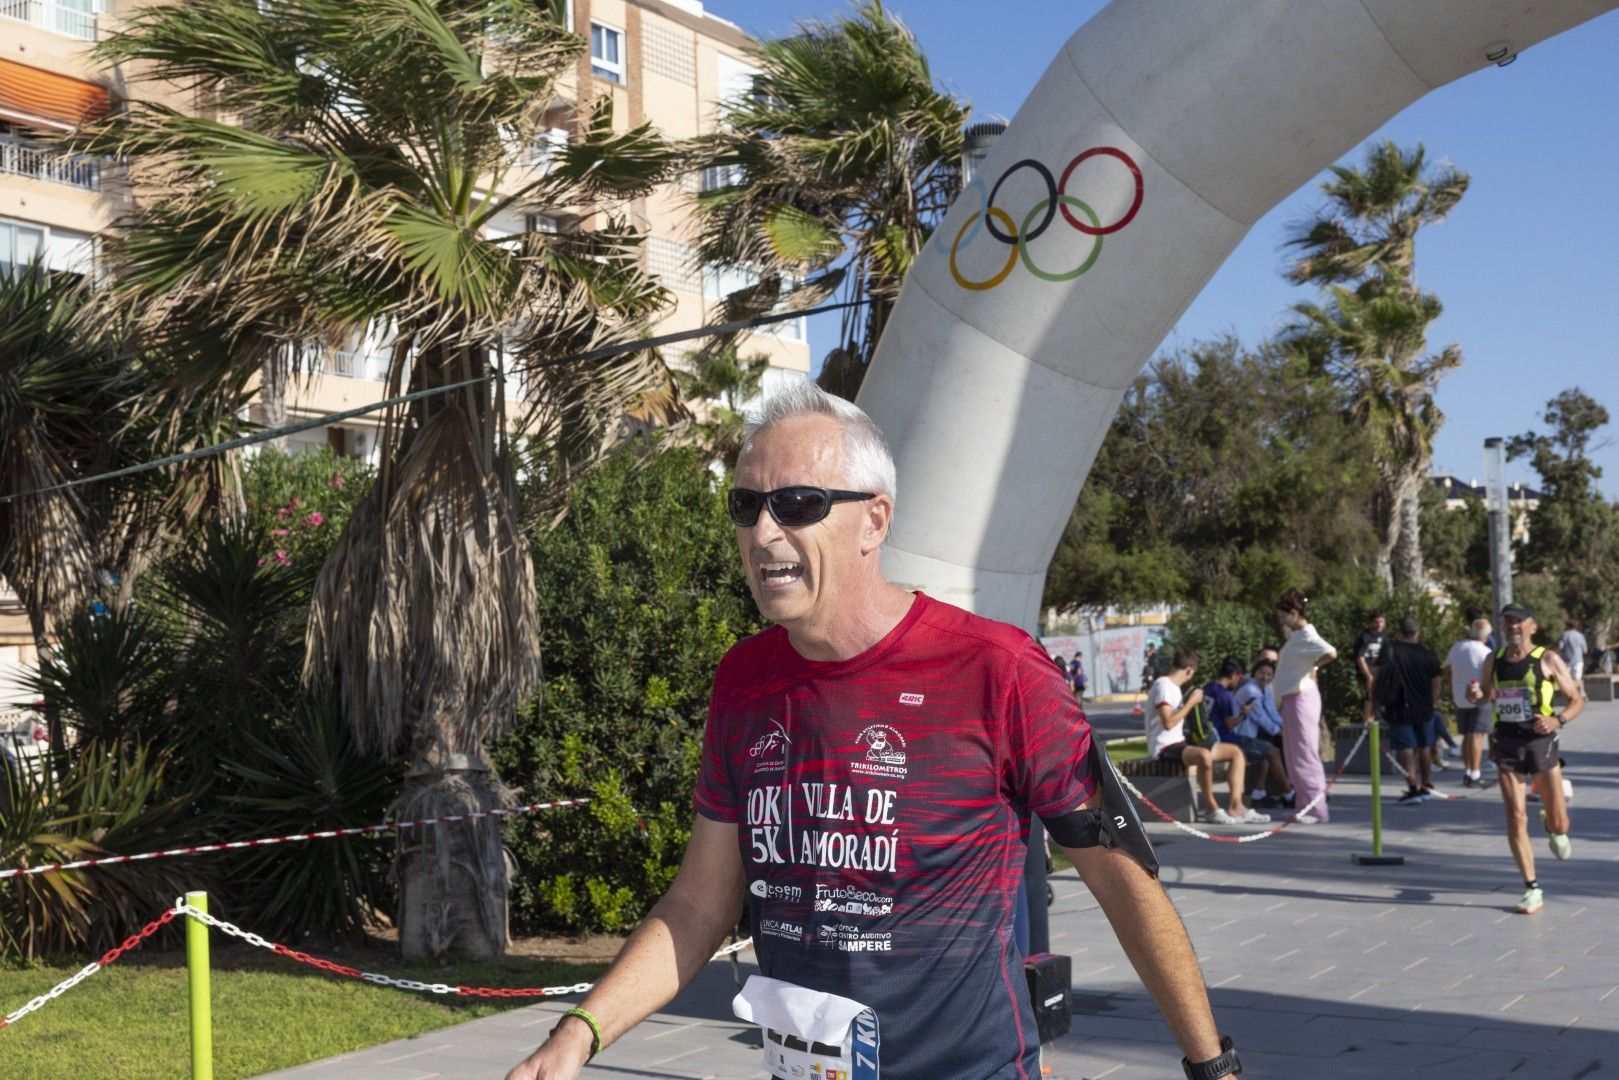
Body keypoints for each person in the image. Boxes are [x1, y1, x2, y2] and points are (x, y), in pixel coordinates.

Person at [506, 384, 1241, 1080]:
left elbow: (1122, 881)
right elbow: (700, 902)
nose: (764, 531)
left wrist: (1210, 1065)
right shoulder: (744, 680)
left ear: (875, 520)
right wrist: (577, 1035)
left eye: (797, 504)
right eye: (746, 504)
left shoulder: (997, 668)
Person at [1468, 602, 1585, 915]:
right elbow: (1487, 693)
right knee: (1516, 816)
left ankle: (1552, 824)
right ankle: (1532, 888)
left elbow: (1576, 700)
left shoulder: (1547, 659)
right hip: (1506, 742)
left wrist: (1557, 721)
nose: (1512, 627)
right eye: (1507, 622)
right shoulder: (1495, 659)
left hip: (1540, 741)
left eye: (1519, 622)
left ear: (1533, 626)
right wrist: (1476, 695)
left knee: (1561, 823)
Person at [1147, 650, 1268, 825]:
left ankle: (1237, 806)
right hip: (1163, 747)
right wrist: (1191, 702)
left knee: (1236, 753)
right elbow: (1168, 723)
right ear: (1190, 669)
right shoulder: (1163, 686)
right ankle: (1212, 809)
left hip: (1179, 741)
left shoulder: (1173, 687)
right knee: (1203, 755)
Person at [1274, 589, 1337, 823]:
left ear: (1294, 613)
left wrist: (1315, 668)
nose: (1281, 620)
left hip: (1302, 697)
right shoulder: (1297, 636)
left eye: (1283, 616)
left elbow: (1330, 652)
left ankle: (1317, 809)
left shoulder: (1308, 634)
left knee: (1305, 754)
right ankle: (1304, 805)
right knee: (1293, 755)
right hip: (1291, 698)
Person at [1372, 617, 1443, 805]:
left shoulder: (1389, 650)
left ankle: (1412, 787)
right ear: (1417, 632)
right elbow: (1436, 685)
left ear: (1399, 632)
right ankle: (1426, 784)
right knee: (1424, 746)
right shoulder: (1428, 654)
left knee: (1405, 748)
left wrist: (1372, 704)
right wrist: (1431, 704)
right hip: (1424, 708)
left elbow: (1376, 677)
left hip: (1398, 705)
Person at [1230, 658, 1291, 808]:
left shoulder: (1266, 689)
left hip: (1250, 734)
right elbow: (1260, 717)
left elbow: (1271, 712)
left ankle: (1259, 795)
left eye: (1269, 674)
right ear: (1254, 673)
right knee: (1272, 751)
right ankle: (1289, 794)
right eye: (1261, 673)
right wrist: (1279, 732)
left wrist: (1285, 727)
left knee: (1264, 758)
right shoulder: (1250, 690)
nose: (1265, 677)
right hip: (1239, 735)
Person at [1444, 615, 1494, 787]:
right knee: (1477, 736)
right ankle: (1475, 773)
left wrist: (1454, 686)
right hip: (1479, 697)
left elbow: (1447, 670)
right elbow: (1489, 676)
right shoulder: (1485, 652)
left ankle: (1467, 772)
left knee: (1466, 736)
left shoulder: (1456, 648)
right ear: (1487, 636)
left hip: (1460, 697)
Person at [1353, 610, 1388, 725]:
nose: (1379, 625)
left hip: (1380, 671)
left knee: (1382, 697)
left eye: (1381, 622)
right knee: (1370, 697)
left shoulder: (1383, 636)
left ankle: (1382, 721)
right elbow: (1360, 657)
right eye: (1376, 622)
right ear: (1371, 622)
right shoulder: (1365, 637)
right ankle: (1368, 722)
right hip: (1369, 670)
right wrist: (1368, 675)